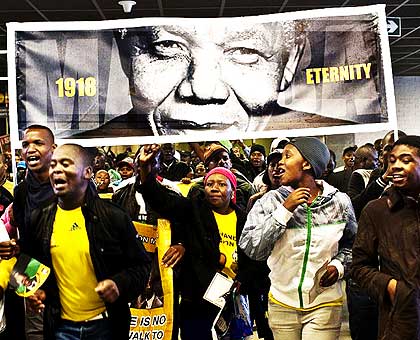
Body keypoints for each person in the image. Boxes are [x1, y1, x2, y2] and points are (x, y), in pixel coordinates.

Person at [75, 21, 353, 137]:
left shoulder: (320, 138)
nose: (203, 89)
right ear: (127, 56)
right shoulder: (80, 148)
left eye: (245, 51)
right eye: (168, 46)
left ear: (291, 59)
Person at [26, 143, 151, 340]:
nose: (57, 169)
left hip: (106, 326)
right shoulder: (38, 218)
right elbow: (30, 264)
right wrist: (36, 290)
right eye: (53, 165)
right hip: (60, 328)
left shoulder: (113, 217)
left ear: (87, 172)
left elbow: (142, 266)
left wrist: (118, 284)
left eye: (66, 164)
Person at [239, 137, 357, 340]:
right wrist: (284, 211)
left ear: (307, 163)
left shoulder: (340, 202)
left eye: (287, 156)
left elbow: (353, 246)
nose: (280, 163)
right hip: (281, 303)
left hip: (325, 302)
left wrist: (338, 267)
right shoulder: (270, 201)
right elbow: (252, 248)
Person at [138, 144, 257, 340]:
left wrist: (243, 279)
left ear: (232, 190)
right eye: (210, 184)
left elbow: (253, 256)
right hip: (198, 299)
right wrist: (145, 168)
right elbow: (160, 199)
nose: (214, 188)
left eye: (221, 184)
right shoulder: (194, 210)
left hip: (233, 298)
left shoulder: (244, 219)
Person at [351, 135, 420, 339]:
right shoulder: (377, 211)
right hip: (400, 320)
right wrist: (393, 288)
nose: (396, 166)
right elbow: (359, 266)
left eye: (406, 160)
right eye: (392, 160)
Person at [0, 125, 57, 340]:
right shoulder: (21, 192)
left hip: (72, 283)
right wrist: (16, 248)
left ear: (53, 148)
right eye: (25, 145)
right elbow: (30, 243)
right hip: (37, 285)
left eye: (38, 143)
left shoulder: (75, 186)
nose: (30, 149)